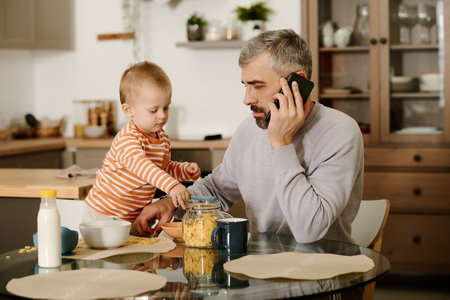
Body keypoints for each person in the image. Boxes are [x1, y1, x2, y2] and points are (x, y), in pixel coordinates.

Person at [134, 29, 364, 244]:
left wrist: (281, 143)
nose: (247, 99)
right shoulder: (249, 129)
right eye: (245, 85)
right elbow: (217, 189)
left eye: (256, 86)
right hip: (259, 271)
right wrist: (169, 204)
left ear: (297, 83)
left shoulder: (340, 132)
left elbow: (309, 230)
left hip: (323, 276)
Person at [83, 61, 201, 234]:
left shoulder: (162, 138)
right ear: (128, 109)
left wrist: (183, 170)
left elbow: (162, 167)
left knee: (133, 258)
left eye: (166, 107)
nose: (162, 115)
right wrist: (172, 186)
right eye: (153, 110)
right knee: (107, 260)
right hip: (103, 216)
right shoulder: (127, 139)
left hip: (131, 218)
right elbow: (144, 167)